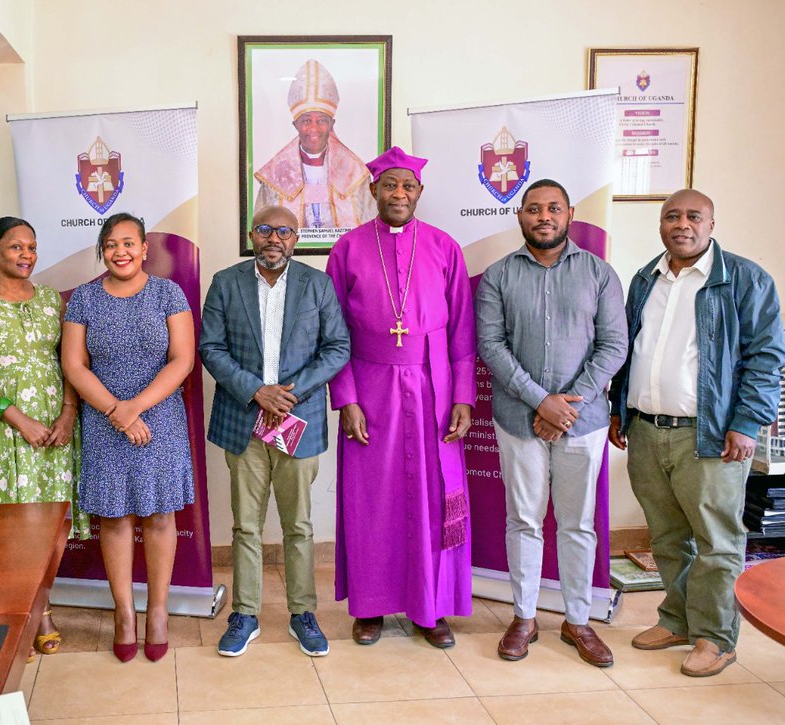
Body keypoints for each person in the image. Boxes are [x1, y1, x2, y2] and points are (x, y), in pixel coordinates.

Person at [608, 189, 785, 677]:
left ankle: (716, 637)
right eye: (672, 216)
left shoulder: (745, 280)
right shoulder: (647, 278)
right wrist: (618, 408)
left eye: (693, 216)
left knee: (717, 541)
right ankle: (679, 619)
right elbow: (630, 349)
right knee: (667, 538)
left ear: (711, 223)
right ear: (660, 224)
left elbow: (766, 359)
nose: (681, 224)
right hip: (647, 429)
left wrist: (747, 423)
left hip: (710, 436)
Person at [325, 146, 476, 648]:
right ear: (373, 191)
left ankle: (429, 609)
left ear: (419, 193)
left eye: (408, 186)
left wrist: (462, 396)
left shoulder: (443, 246)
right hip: (370, 387)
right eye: (389, 185)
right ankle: (371, 606)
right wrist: (345, 398)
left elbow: (461, 332)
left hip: (432, 386)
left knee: (433, 499)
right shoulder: (347, 249)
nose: (399, 194)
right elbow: (335, 333)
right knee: (371, 500)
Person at [475, 179, 628, 666]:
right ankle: (524, 616)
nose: (544, 216)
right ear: (519, 216)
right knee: (523, 519)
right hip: (519, 420)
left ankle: (578, 621)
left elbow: (614, 346)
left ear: (569, 215)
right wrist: (543, 402)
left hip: (582, 424)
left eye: (554, 208)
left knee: (578, 523)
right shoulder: (498, 276)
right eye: (534, 208)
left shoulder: (600, 275)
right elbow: (491, 347)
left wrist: (568, 406)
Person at [200, 205, 350, 658]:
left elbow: (337, 346)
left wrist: (290, 392)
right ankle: (245, 614)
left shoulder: (317, 285)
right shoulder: (227, 283)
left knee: (298, 525)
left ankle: (302, 612)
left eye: (284, 231)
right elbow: (210, 346)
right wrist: (255, 391)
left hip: (297, 421)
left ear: (296, 237)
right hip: (243, 420)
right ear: (252, 234)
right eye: (265, 229)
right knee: (246, 526)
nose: (274, 238)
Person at [0, 216, 90, 660]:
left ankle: (40, 611)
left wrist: (68, 412)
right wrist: (19, 420)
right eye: (15, 248)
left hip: (50, 430)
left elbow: (70, 362)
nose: (26, 255)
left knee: (44, 527)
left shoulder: (50, 301)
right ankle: (6, 613)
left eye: (31, 247)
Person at [61, 212, 195, 663]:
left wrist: (135, 407)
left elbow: (182, 360)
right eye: (111, 244)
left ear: (144, 249)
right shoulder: (84, 298)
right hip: (103, 421)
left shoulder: (167, 293)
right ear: (103, 251)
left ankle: (158, 611)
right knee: (116, 518)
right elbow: (75, 366)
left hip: (159, 420)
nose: (120, 251)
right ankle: (124, 614)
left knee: (159, 515)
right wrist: (116, 410)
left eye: (129, 243)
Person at [254, 59, 376, 231]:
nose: (313, 128)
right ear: (295, 125)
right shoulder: (276, 173)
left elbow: (370, 226)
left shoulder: (354, 172)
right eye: (306, 120)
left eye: (321, 121)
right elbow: (261, 227)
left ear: (332, 124)